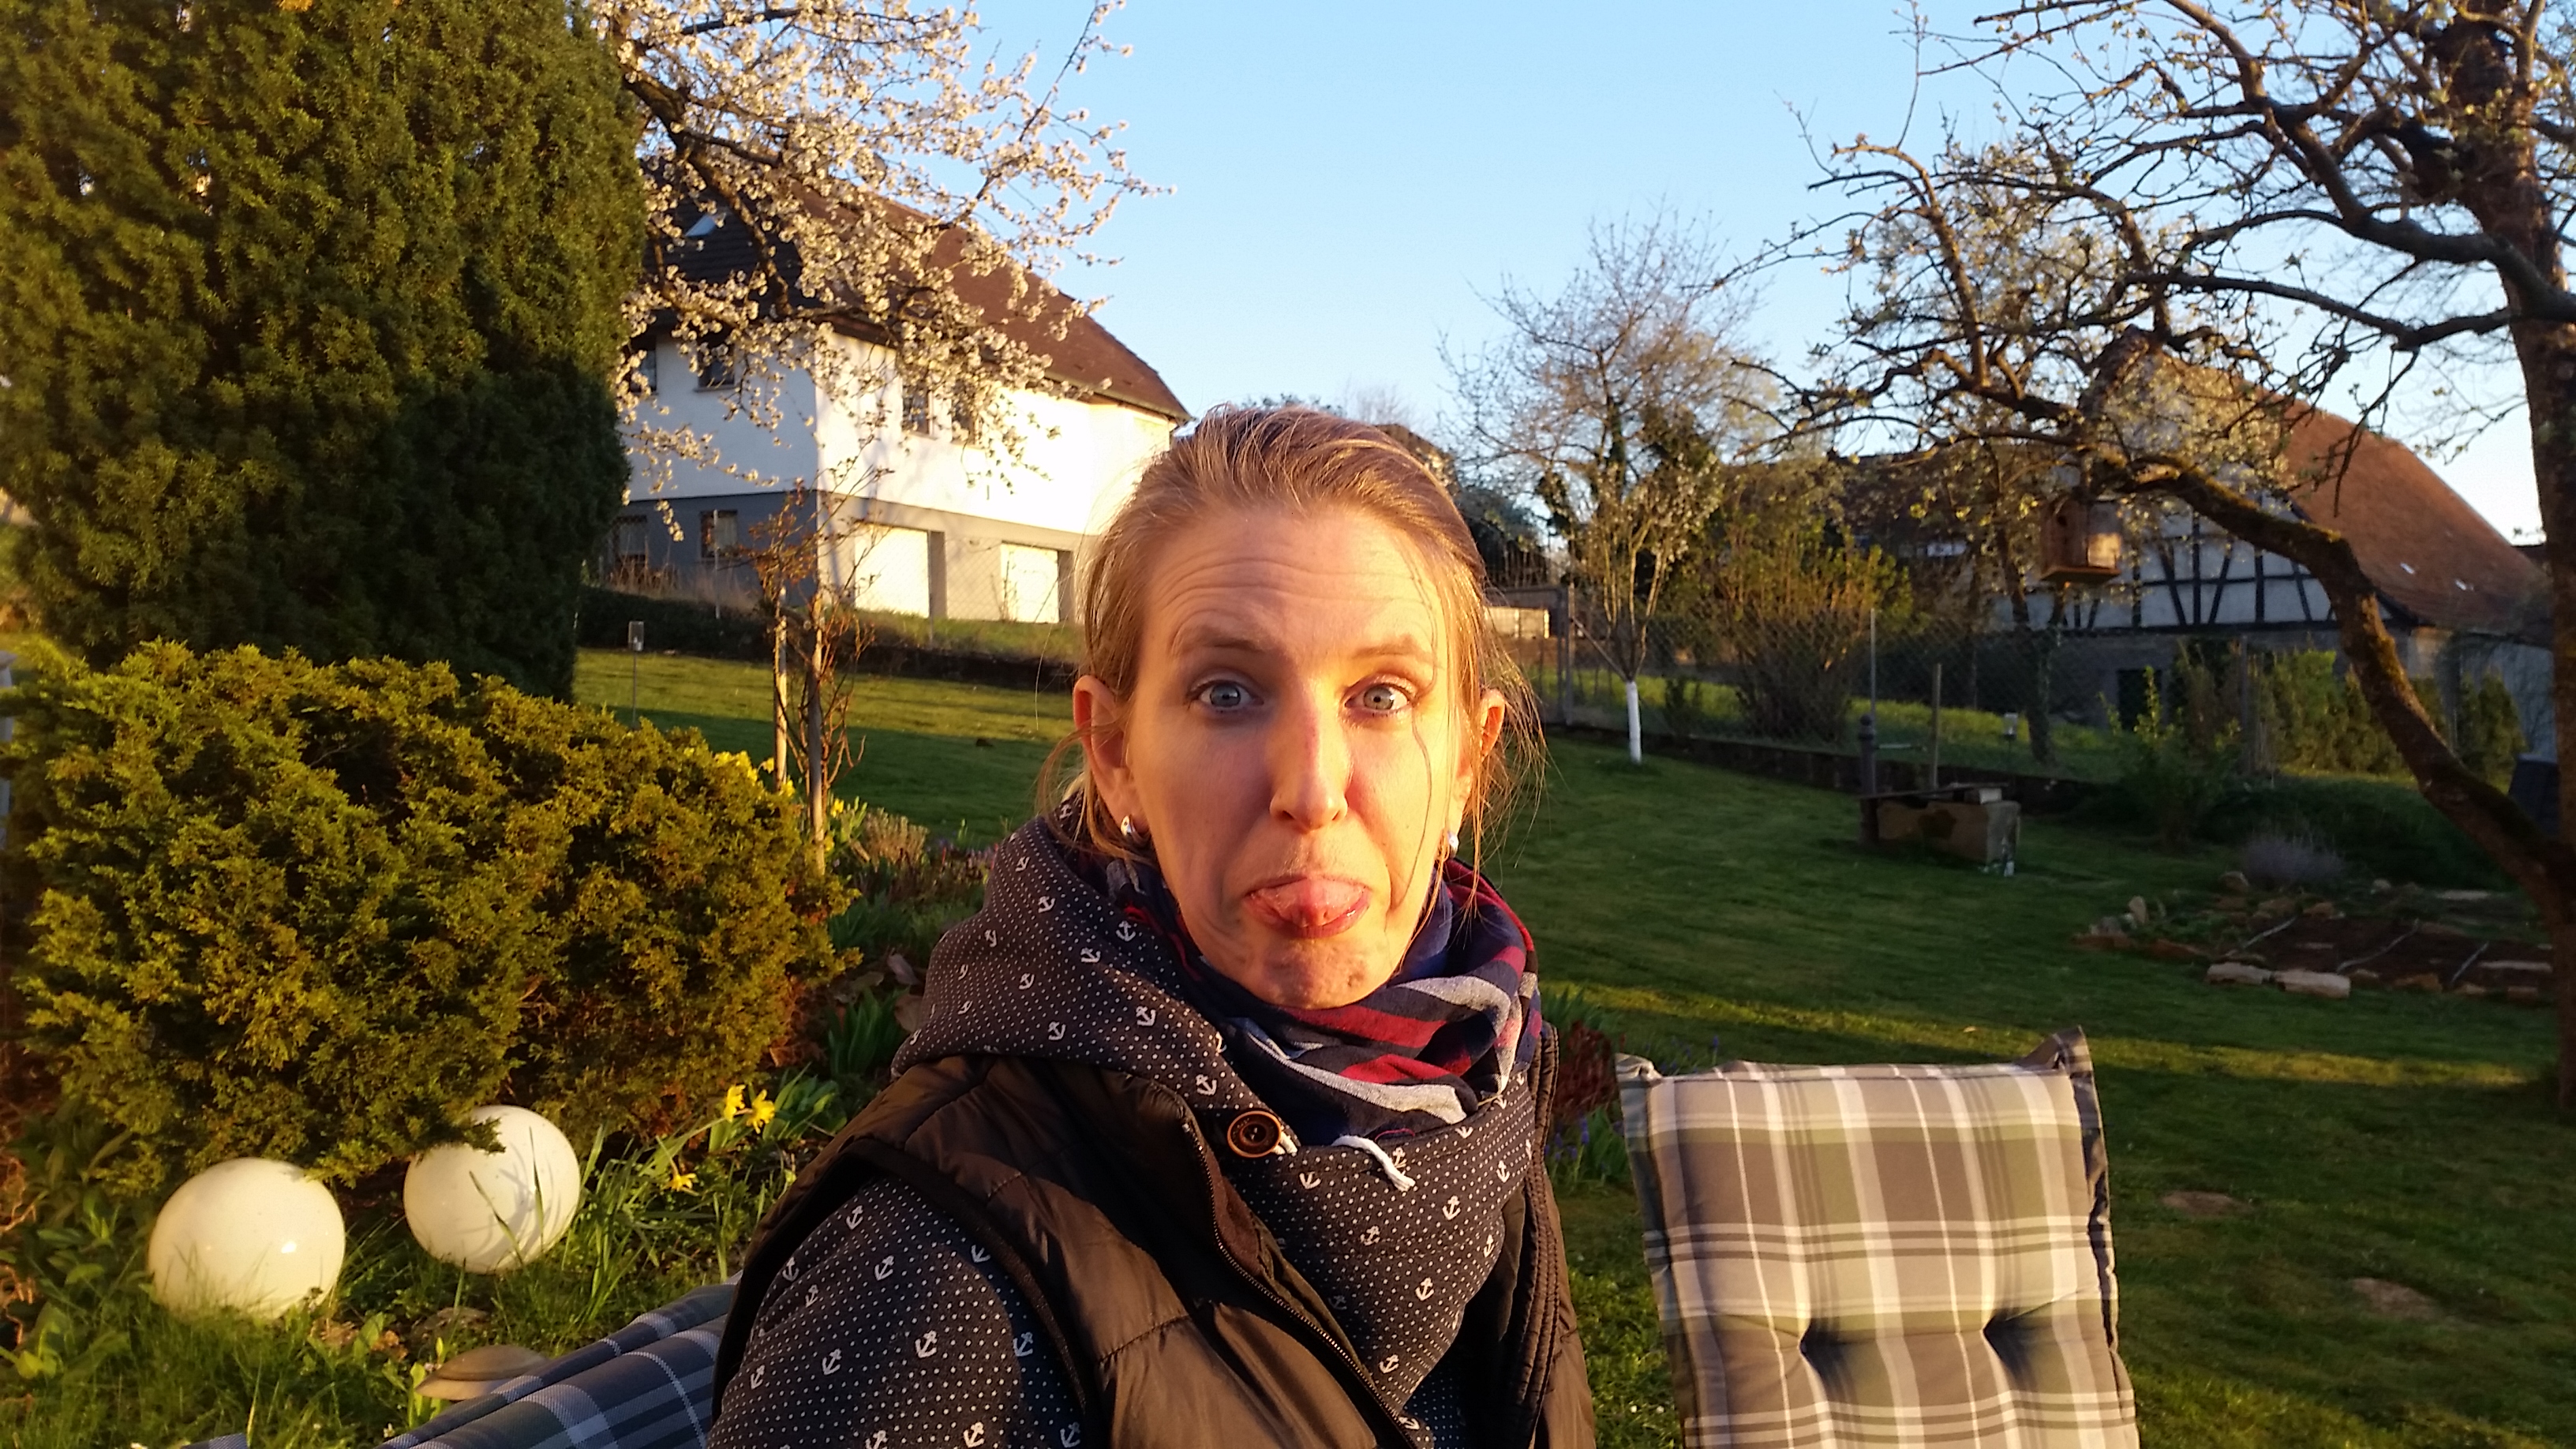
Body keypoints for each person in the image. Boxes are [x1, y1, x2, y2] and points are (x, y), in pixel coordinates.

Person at [707, 406, 1594, 1449]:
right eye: (1228, 692)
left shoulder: (1477, 1080)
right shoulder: (929, 1281)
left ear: (1468, 759)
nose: (1313, 790)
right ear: (1117, 755)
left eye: (1382, 696)